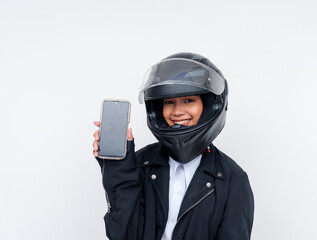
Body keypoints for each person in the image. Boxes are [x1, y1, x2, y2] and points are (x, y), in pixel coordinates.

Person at [93, 52, 254, 240]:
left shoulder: (233, 180)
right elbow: (122, 234)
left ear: (209, 104)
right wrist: (119, 168)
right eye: (169, 102)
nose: (177, 111)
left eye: (189, 100)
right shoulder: (139, 163)